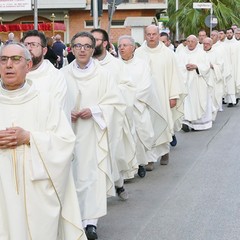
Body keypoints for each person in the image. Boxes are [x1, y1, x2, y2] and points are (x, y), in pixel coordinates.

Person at [0, 42, 86, 240]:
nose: (9, 65)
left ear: (28, 66)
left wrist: (30, 138)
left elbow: (65, 142)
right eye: (3, 60)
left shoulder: (45, 101)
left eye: (15, 60)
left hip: (36, 191)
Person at [61, 31, 127, 240]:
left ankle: (91, 223)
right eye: (78, 45)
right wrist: (65, 111)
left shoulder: (104, 75)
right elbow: (51, 104)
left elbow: (116, 103)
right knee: (71, 177)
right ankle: (73, 220)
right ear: (71, 48)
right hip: (68, 134)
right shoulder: (62, 75)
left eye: (87, 46)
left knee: (92, 177)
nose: (82, 49)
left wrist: (95, 110)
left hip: (93, 133)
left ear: (93, 49)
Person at [135, 25, 186, 169]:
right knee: (147, 126)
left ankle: (164, 152)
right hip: (145, 98)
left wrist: (173, 95)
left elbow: (174, 76)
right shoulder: (138, 53)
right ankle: (149, 159)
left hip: (163, 96)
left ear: (158, 35)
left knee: (163, 123)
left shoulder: (168, 54)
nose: (151, 37)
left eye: (154, 34)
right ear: (145, 36)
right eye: (148, 34)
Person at [91, 28, 138, 180]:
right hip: (90, 117)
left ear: (105, 43)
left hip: (112, 116)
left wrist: (112, 95)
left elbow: (129, 87)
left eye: (96, 40)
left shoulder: (117, 65)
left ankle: (117, 181)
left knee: (114, 151)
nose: (92, 44)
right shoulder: (83, 64)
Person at [118, 34, 167, 175]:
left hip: (138, 106)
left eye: (125, 45)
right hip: (121, 108)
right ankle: (128, 166)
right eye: (120, 46)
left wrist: (130, 99)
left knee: (143, 134)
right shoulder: (115, 65)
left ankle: (144, 161)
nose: (121, 48)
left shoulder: (141, 65)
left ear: (133, 48)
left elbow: (146, 86)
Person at [20, 30, 69, 119]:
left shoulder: (55, 77)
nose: (28, 48)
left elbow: (57, 109)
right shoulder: (15, 74)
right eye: (25, 45)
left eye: (33, 45)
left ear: (44, 50)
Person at [176, 35, 212, 131]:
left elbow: (206, 67)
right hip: (185, 83)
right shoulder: (181, 53)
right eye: (188, 41)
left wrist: (196, 67)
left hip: (198, 83)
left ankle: (198, 124)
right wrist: (185, 67)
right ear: (186, 42)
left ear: (196, 42)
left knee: (198, 102)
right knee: (186, 103)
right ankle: (186, 122)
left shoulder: (202, 53)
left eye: (192, 41)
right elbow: (177, 67)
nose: (190, 43)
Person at [203, 37, 224, 120]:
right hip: (203, 79)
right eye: (204, 44)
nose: (205, 45)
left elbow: (221, 66)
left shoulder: (216, 53)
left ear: (211, 44)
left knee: (213, 98)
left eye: (207, 44)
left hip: (213, 78)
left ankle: (211, 117)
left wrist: (212, 66)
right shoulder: (200, 53)